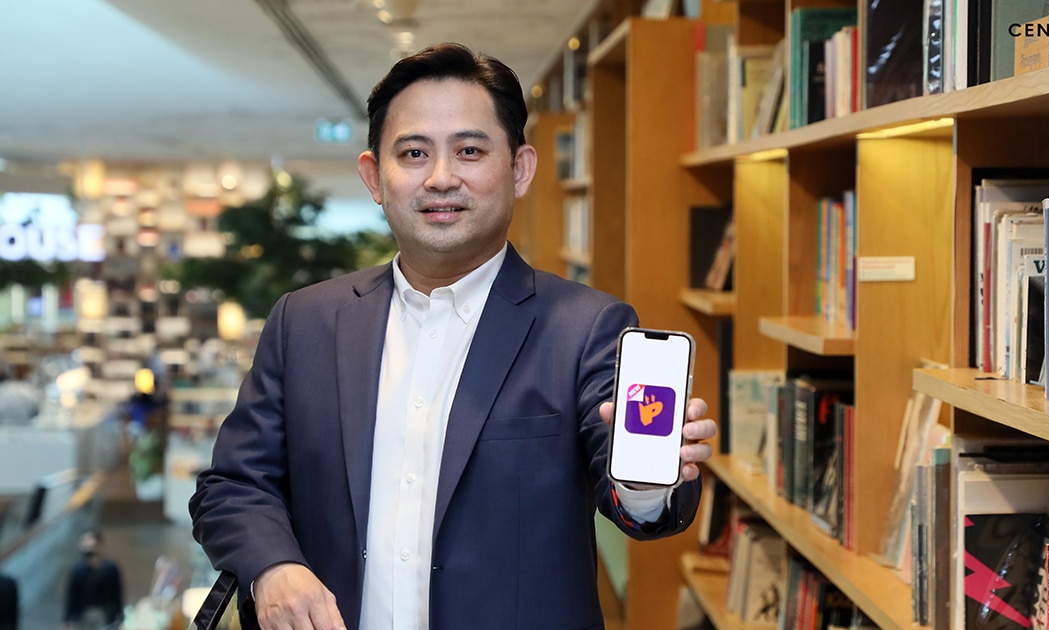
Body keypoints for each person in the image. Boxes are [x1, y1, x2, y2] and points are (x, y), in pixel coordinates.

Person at [189, 41, 717, 630]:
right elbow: (233, 485)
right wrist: (273, 567)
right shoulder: (305, 321)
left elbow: (639, 508)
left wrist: (644, 480)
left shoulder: (586, 327)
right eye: (414, 153)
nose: (441, 178)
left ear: (519, 169)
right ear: (374, 176)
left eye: (469, 150)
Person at [62, 528, 123, 630]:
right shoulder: (77, 570)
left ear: (99, 545)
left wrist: (120, 617)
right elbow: (72, 596)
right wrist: (67, 620)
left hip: (105, 615)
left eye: (90, 542)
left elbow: (117, 593)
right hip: (83, 616)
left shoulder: (111, 569)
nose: (87, 546)